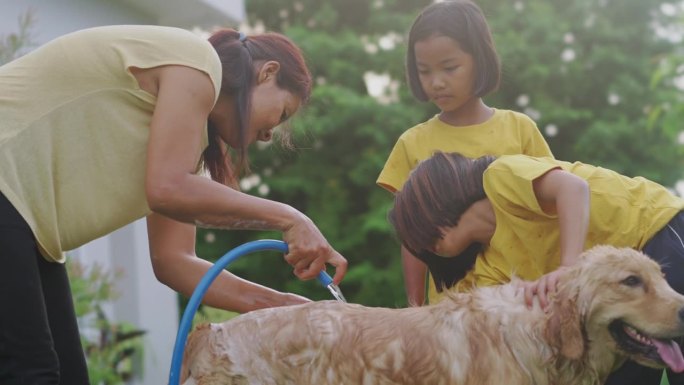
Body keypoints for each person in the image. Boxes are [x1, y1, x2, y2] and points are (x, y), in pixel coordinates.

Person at [0, 25, 348, 385]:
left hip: (26, 223)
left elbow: (175, 261)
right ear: (268, 72)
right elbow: (167, 188)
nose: (269, 134)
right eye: (284, 112)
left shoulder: (187, 150)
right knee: (31, 373)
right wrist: (290, 218)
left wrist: (286, 309)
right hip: (7, 191)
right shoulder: (195, 63)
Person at [389, 151, 684, 385]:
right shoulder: (491, 267)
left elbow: (573, 188)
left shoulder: (499, 178)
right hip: (614, 297)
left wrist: (568, 268)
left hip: (654, 229)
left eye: (418, 233)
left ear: (434, 207)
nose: (423, 249)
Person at [376, 0, 552, 306]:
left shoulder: (520, 130)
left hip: (522, 306)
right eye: (424, 71)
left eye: (449, 67)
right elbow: (413, 239)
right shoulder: (412, 143)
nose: (437, 82)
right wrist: (416, 308)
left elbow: (549, 215)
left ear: (480, 60)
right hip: (452, 314)